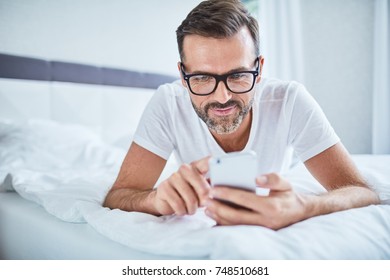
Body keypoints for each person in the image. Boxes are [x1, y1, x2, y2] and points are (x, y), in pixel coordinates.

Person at [103, 0, 379, 230]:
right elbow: (118, 195)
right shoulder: (168, 102)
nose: (222, 97)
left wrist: (305, 206)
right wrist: (153, 200)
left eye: (237, 75)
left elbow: (361, 190)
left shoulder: (289, 100)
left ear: (259, 69)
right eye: (201, 77)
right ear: (183, 76)